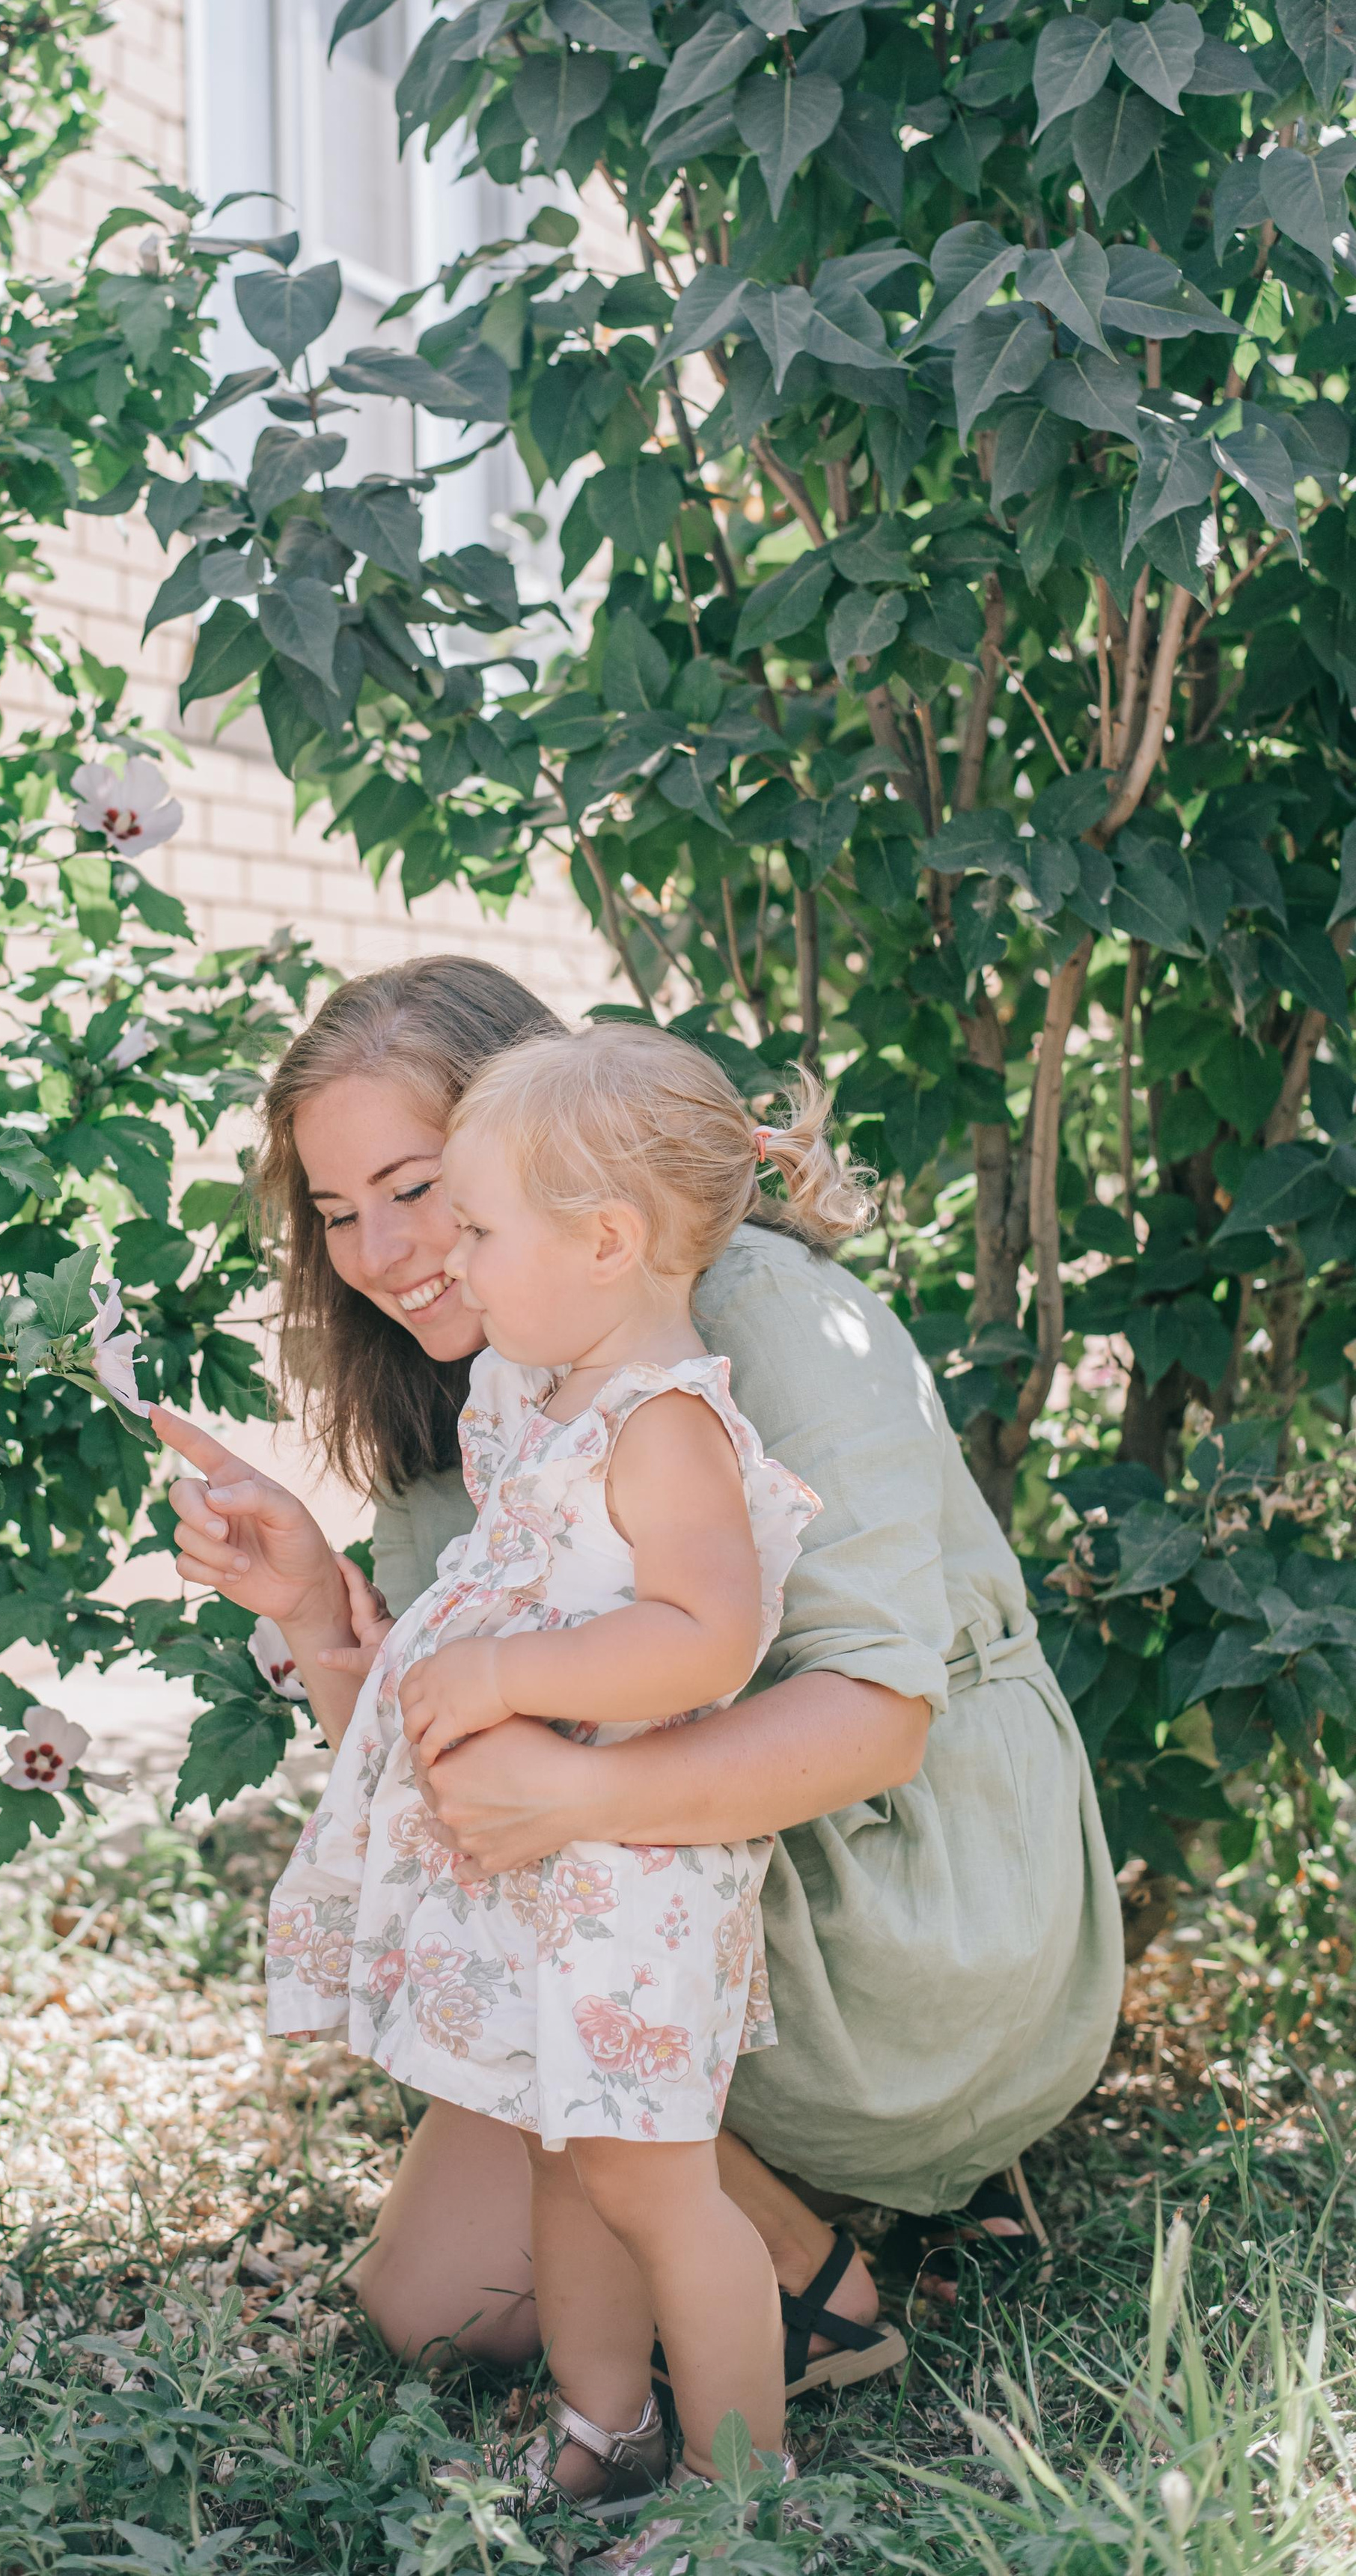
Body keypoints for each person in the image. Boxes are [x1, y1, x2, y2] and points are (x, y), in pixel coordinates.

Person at [158, 958, 1126, 2397]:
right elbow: (449, 1794)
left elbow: (876, 1718)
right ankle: (727, 2234)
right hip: (661, 1871)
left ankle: (797, 2279)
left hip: (905, 1890)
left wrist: (581, 1787)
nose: (379, 1250)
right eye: (338, 1210)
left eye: (421, 1188)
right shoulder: (482, 1384)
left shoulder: (744, 1312)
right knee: (431, 2307)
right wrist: (314, 1607)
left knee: (537, 1988)